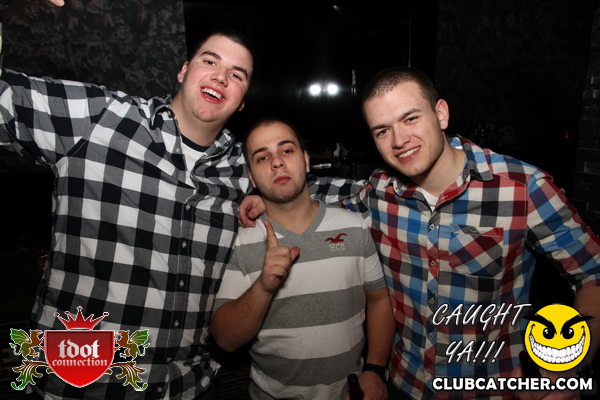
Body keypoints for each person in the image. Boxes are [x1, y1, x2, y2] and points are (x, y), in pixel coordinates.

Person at [239, 67, 600, 399]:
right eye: (382, 130)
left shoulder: (522, 188)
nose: (399, 140)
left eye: (410, 118)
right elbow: (316, 200)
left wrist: (568, 367)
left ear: (441, 114)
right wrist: (267, 199)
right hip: (403, 385)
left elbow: (593, 275)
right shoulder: (378, 193)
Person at [0, 0, 255, 398]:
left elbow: (313, 195)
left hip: (187, 386)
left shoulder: (243, 170)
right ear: (183, 71)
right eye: (209, 61)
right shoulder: (100, 119)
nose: (221, 77)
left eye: (236, 75)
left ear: (241, 101)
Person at [211, 117, 395, 400]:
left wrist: (374, 369)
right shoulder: (240, 241)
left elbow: (379, 300)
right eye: (262, 157)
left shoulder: (354, 226)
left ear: (306, 161)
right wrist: (264, 287)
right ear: (252, 177)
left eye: (287, 150)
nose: (277, 162)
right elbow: (226, 340)